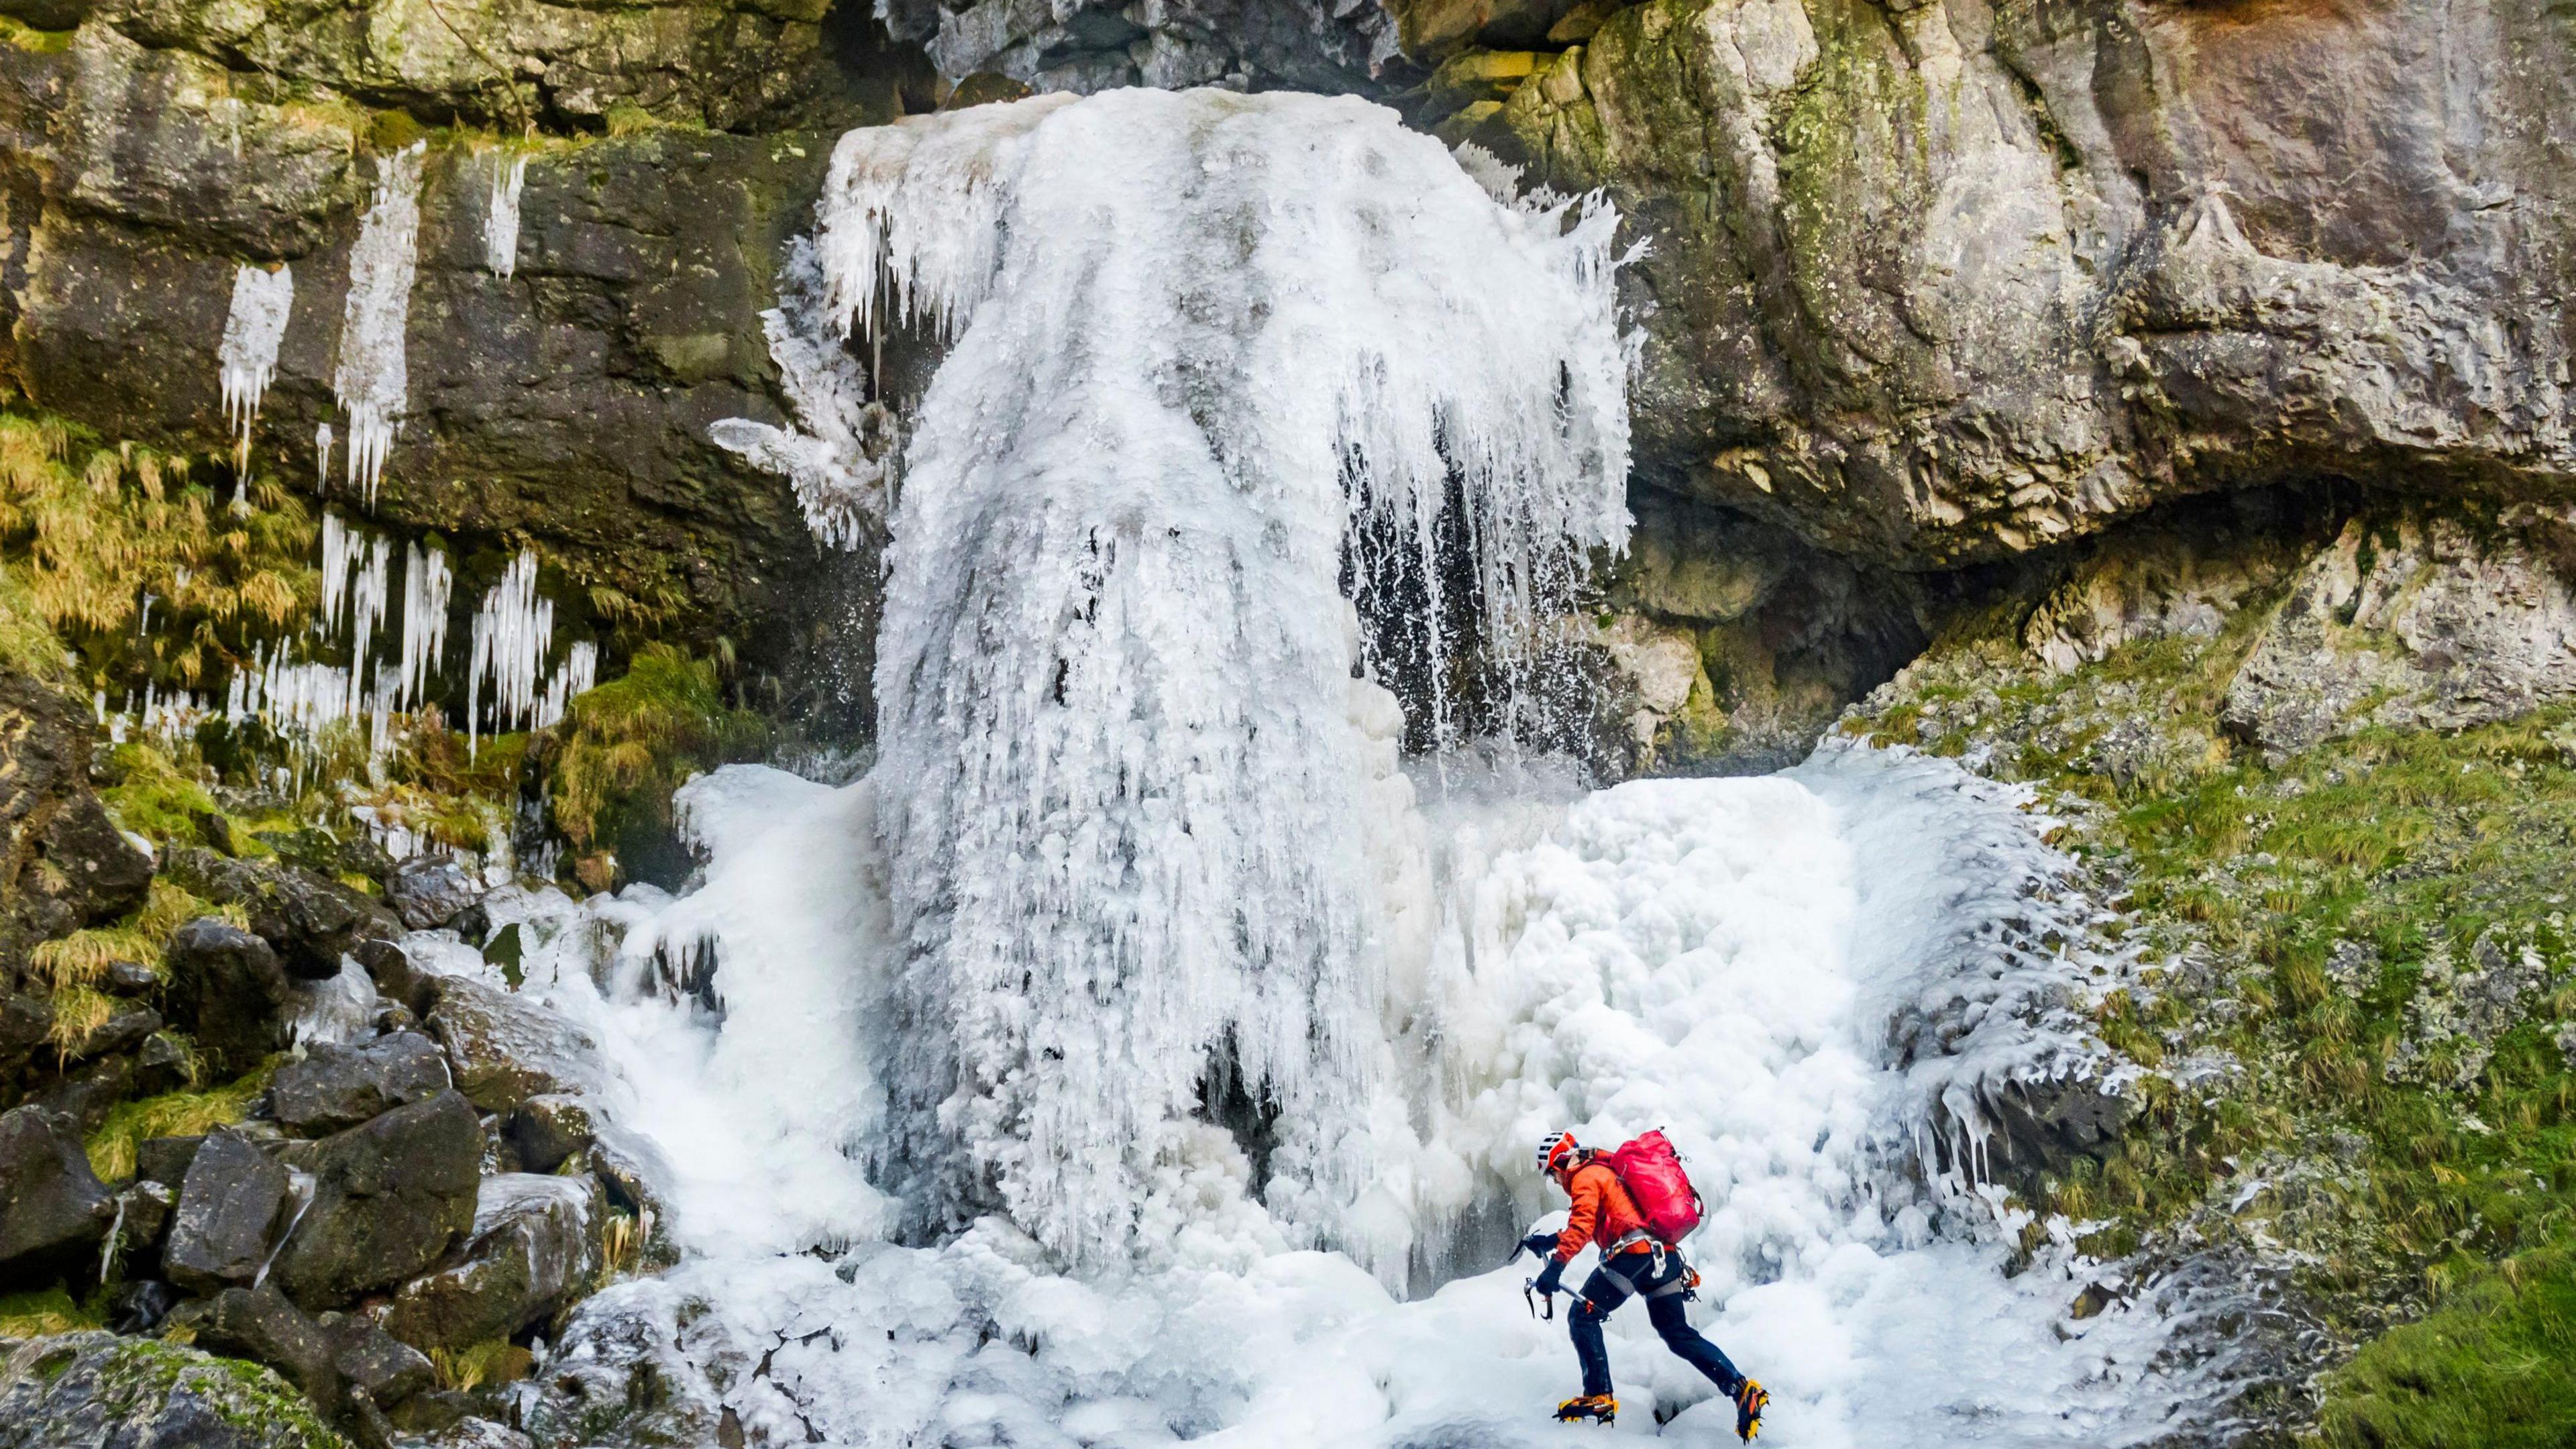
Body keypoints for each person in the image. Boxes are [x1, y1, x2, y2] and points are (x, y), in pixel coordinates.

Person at [1527, 1130, 1768, 1438]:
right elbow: (1608, 1219)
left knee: (1582, 1316)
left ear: (1560, 1162)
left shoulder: (1586, 1176)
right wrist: (1551, 1241)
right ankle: (1741, 1388)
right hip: (1663, 1258)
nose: (1557, 1182)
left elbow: (1583, 1224)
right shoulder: (1605, 1172)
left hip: (1632, 1256)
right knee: (1678, 1334)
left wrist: (1556, 1268)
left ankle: (1599, 1396)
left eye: (1553, 1174)